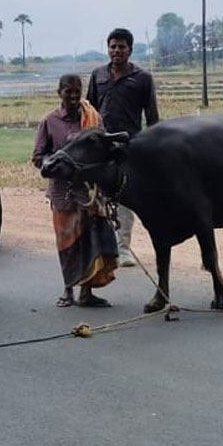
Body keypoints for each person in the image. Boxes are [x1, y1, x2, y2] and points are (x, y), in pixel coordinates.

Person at [33, 74, 119, 308]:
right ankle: (68, 290)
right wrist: (57, 164)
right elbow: (38, 157)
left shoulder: (93, 118)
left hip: (89, 192)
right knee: (67, 245)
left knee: (91, 241)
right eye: (68, 91)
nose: (73, 96)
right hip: (63, 193)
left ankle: (86, 292)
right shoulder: (49, 121)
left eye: (77, 91)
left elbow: (103, 151)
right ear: (59, 93)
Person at [85, 28, 159, 269]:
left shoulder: (143, 78)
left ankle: (123, 248)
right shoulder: (98, 75)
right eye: (113, 46)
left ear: (130, 50)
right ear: (108, 48)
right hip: (101, 145)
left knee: (125, 196)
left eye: (121, 47)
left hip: (129, 146)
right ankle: (102, 246)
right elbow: (89, 109)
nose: (116, 51)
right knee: (98, 195)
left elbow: (152, 116)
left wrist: (153, 146)